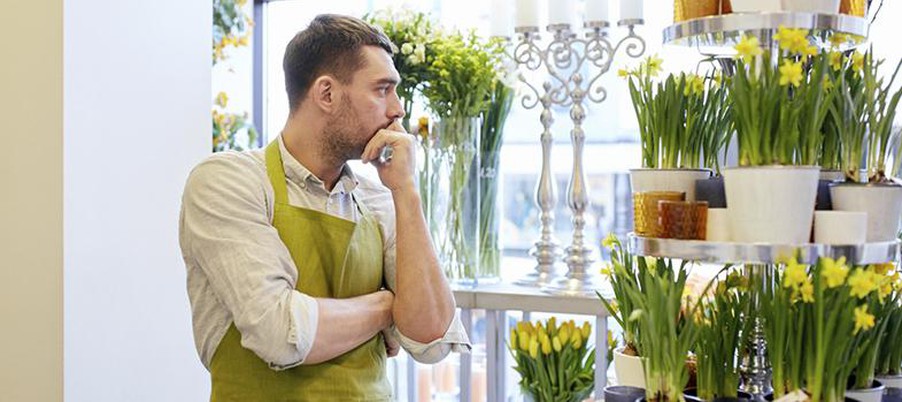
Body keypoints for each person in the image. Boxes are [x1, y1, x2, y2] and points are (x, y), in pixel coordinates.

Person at [180, 14, 470, 401]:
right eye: (383, 90)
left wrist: (407, 191)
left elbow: (431, 341)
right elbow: (280, 333)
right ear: (327, 94)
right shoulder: (228, 181)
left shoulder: (381, 198)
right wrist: (387, 305)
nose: (398, 110)